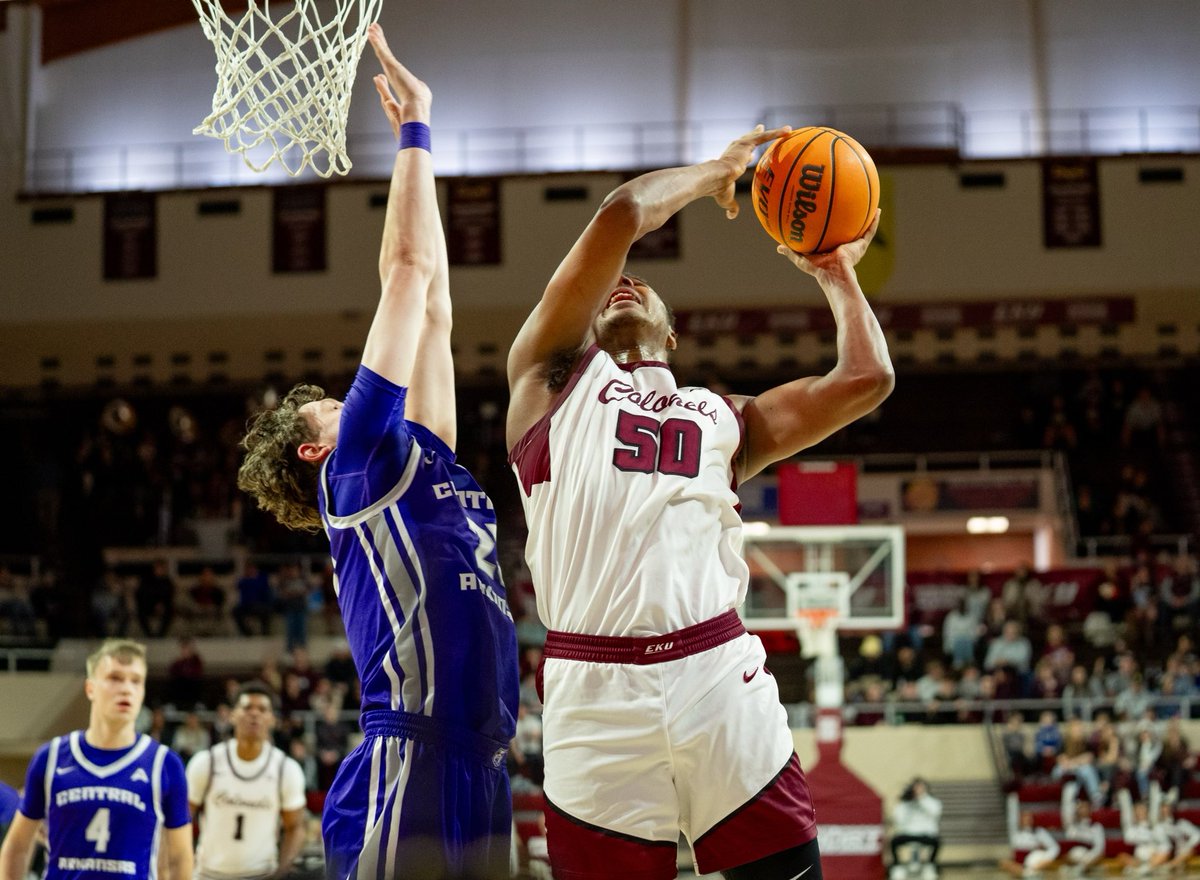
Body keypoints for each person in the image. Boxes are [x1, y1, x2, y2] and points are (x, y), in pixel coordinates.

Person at [504, 116, 892, 877]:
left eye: (642, 285)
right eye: (613, 283)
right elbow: (622, 215)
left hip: (715, 673)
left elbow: (866, 380)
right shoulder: (548, 383)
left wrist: (836, 271)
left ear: (671, 338)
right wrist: (719, 173)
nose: (624, 281)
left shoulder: (723, 417)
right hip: (593, 690)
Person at [235, 25, 517, 880]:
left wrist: (426, 121)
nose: (343, 391)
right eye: (328, 401)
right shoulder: (357, 462)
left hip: (485, 758)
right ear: (317, 451)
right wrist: (410, 138)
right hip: (413, 755)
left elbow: (432, 305)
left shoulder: (419, 459)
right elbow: (402, 271)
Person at [0, 638, 193, 880]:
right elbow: (17, 846)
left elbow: (180, 857)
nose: (126, 689)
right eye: (115, 678)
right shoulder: (50, 758)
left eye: (136, 681)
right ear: (90, 688)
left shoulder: (165, 764)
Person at [186, 682, 307, 880]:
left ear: (272, 719)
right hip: (207, 874)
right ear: (233, 715)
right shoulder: (205, 763)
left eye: (262, 709)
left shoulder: (286, 769)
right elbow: (182, 820)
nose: (254, 714)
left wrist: (281, 873)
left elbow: (295, 828)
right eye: (247, 707)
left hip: (262, 874)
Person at [889, 778, 942, 880]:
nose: (917, 790)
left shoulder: (932, 801)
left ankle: (930, 865)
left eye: (920, 787)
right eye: (915, 787)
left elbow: (935, 813)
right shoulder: (905, 803)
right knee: (894, 842)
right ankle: (897, 866)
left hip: (926, 834)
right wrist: (903, 800)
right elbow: (898, 819)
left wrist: (921, 798)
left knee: (936, 842)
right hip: (907, 833)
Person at [999, 800, 1059, 878]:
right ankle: (1025, 873)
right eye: (1024, 817)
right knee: (1003, 863)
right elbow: (1011, 816)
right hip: (1018, 863)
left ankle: (1026, 874)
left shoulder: (1038, 831)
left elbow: (1054, 847)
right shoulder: (1016, 832)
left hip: (1031, 862)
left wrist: (1045, 860)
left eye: (1029, 817)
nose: (1027, 819)